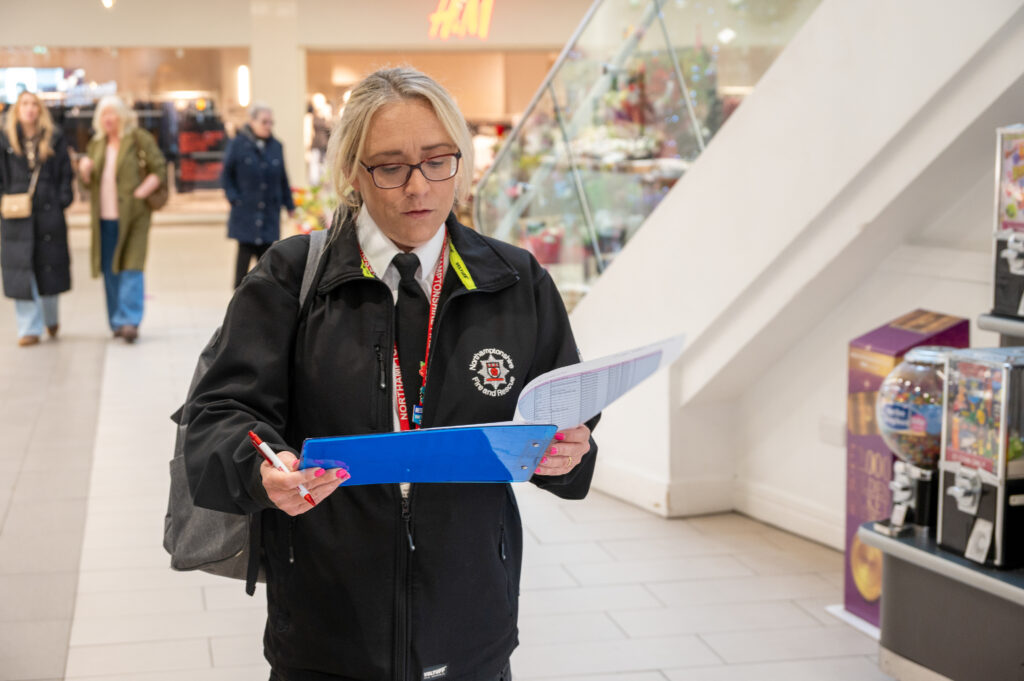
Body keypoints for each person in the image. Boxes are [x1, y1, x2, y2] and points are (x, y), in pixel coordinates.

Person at [184, 67, 598, 681]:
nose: (418, 187)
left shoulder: (515, 282)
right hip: (327, 633)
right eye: (390, 166)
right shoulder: (291, 279)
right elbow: (216, 418)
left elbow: (568, 423)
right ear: (353, 170)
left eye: (438, 161)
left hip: (471, 628)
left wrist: (571, 456)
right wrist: (262, 467)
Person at [78, 95, 166, 343]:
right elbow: (87, 185)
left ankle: (130, 320)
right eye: (104, 114)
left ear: (122, 116)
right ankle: (116, 321)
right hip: (104, 218)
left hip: (134, 216)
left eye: (113, 113)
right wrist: (84, 171)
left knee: (131, 266)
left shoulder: (138, 138)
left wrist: (141, 192)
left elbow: (159, 168)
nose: (109, 119)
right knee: (110, 270)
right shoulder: (97, 144)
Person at [0, 91, 74, 347]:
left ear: (40, 110)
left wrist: (62, 199)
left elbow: (66, 173)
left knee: (49, 267)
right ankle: (28, 329)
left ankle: (51, 318)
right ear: (17, 110)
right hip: (16, 216)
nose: (29, 109)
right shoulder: (5, 140)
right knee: (22, 271)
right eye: (24, 104)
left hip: (48, 213)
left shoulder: (54, 137)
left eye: (34, 104)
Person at [220, 102, 295, 288]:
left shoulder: (276, 146)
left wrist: (289, 204)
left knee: (268, 267)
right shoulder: (238, 144)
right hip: (246, 212)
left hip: (269, 213)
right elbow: (226, 175)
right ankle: (238, 302)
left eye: (271, 122)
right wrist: (234, 198)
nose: (268, 126)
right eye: (264, 122)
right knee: (243, 263)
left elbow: (283, 178)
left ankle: (263, 303)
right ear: (252, 122)